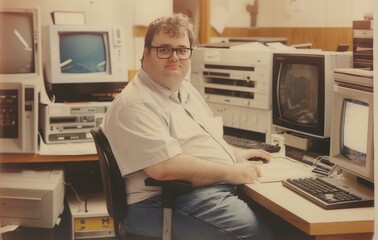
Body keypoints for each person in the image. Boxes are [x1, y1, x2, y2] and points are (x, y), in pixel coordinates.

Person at [101, 13, 275, 240]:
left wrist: (235, 155)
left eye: (182, 50)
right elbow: (165, 167)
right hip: (160, 203)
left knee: (275, 217)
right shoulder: (135, 103)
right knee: (253, 229)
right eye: (164, 49)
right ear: (146, 53)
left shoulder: (185, 89)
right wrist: (229, 171)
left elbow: (197, 141)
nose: (175, 57)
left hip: (196, 192)